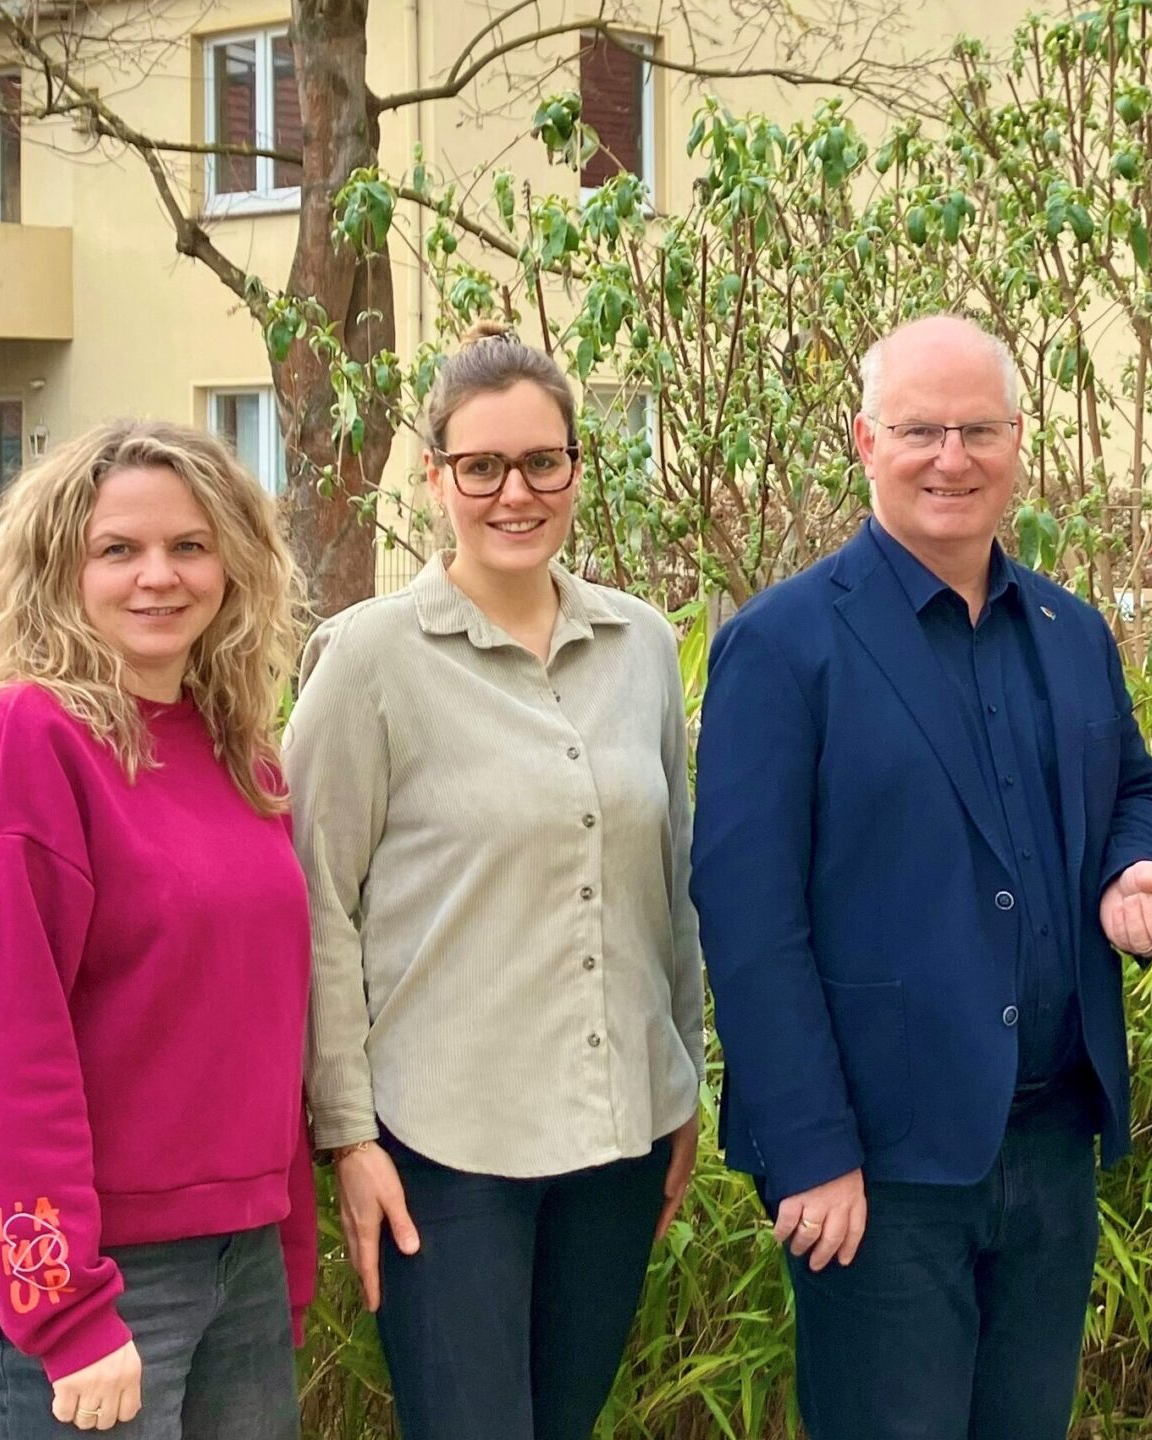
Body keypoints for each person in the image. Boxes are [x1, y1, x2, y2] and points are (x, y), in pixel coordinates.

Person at [690, 313, 1152, 1440]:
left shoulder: (1070, 630)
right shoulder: (782, 646)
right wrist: (810, 1151)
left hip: (1052, 1145)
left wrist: (1134, 866)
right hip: (878, 1168)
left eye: (978, 430)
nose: (951, 459)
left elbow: (1136, 791)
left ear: (1018, 442)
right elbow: (748, 924)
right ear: (866, 441)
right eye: (921, 430)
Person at [284, 321, 704, 1440]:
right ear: (436, 478)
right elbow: (316, 906)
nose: (515, 493)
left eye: (541, 463)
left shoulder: (642, 647)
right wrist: (348, 1138)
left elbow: (669, 887)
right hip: (444, 1151)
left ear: (576, 467)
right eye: (481, 467)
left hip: (619, 1140)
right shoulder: (369, 661)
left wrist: (680, 1086)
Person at [0, 420, 315, 1437]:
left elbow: (257, 1020)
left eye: (189, 545)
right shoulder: (17, 748)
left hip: (238, 1263)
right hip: (95, 1285)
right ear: (58, 571)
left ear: (233, 564)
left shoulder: (236, 753)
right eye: (117, 549)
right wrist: (65, 1309)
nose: (158, 576)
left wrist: (284, 1241)